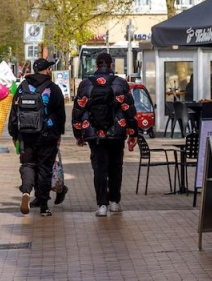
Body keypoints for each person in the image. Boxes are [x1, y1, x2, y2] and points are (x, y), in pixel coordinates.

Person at [72, 52, 138, 217]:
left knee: (99, 168)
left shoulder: (86, 84)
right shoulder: (121, 83)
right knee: (116, 166)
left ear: (96, 65)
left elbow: (78, 110)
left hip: (94, 132)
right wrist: (133, 132)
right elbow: (129, 109)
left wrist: (78, 134)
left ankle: (102, 205)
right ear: (111, 65)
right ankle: (115, 202)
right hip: (117, 132)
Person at [9, 57, 66, 217]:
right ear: (47, 70)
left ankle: (26, 192)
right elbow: (60, 114)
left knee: (28, 165)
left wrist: (14, 134)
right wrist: (59, 133)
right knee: (44, 168)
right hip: (47, 136)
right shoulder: (53, 89)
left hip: (26, 135)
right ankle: (43, 206)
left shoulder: (23, 87)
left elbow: (14, 113)